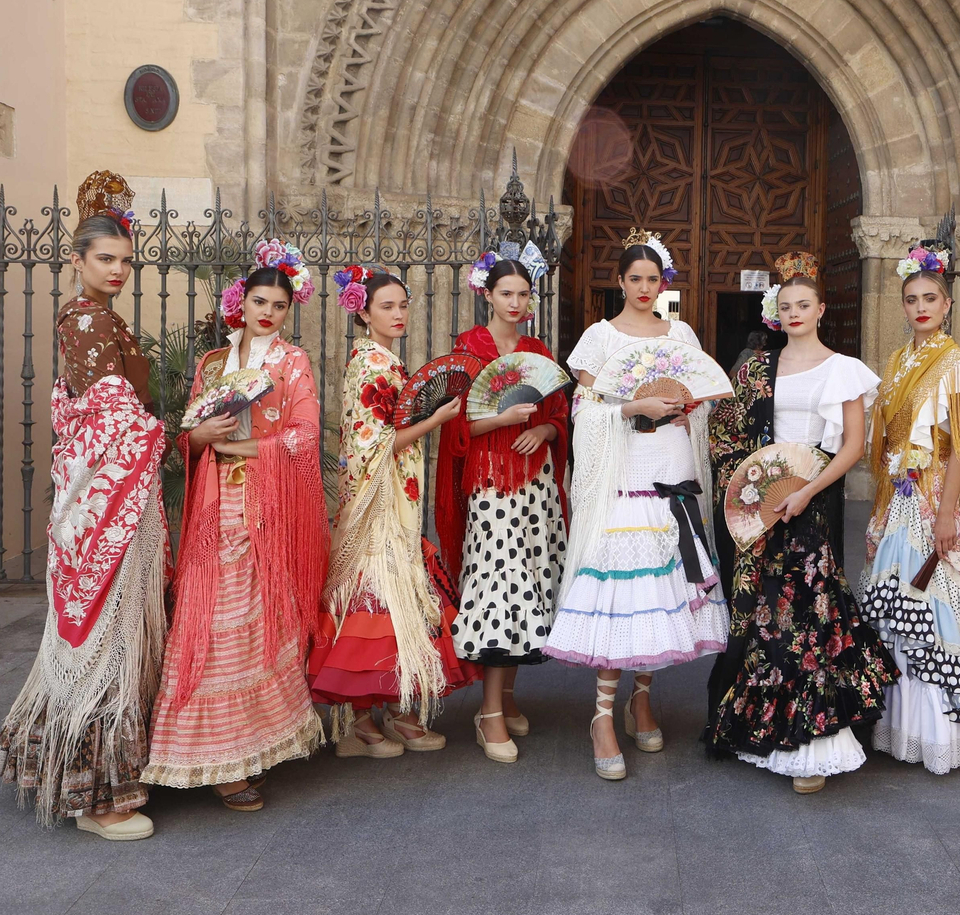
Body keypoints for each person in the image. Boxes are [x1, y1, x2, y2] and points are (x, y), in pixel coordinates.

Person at [0, 171, 168, 839]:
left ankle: (80, 775)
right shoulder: (86, 319)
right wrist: (174, 434)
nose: (119, 269)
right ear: (77, 260)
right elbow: (112, 420)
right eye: (105, 259)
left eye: (125, 260)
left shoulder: (100, 319)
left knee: (106, 641)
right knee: (108, 642)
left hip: (106, 498)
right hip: (106, 505)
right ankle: (96, 800)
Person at [142, 244, 329, 810]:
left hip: (266, 506)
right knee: (209, 620)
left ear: (288, 310)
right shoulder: (213, 365)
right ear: (240, 304)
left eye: (278, 303)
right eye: (258, 300)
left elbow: (304, 436)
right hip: (213, 505)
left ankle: (252, 750)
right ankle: (208, 755)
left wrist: (241, 445)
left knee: (258, 621)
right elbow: (189, 435)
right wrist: (198, 439)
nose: (267, 311)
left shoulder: (292, 363)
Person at [705, 252, 897, 793]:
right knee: (759, 608)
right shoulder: (755, 367)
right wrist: (747, 491)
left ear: (820, 309)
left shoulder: (843, 369)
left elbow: (853, 446)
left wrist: (806, 491)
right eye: (785, 306)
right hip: (761, 506)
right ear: (776, 312)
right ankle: (755, 727)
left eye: (803, 305)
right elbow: (727, 430)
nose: (794, 313)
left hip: (812, 502)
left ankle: (813, 740)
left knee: (807, 611)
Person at [544, 229, 728, 780]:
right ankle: (602, 717)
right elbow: (585, 414)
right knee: (622, 593)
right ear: (620, 282)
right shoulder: (600, 338)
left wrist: (682, 408)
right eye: (635, 279)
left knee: (664, 591)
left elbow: (702, 401)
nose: (645, 288)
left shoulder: (682, 333)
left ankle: (640, 699)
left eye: (653, 280)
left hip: (671, 467)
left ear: (661, 283)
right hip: (624, 471)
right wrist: (632, 407)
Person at [308, 268, 480, 756]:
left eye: (403, 305)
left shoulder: (381, 359)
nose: (399, 314)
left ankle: (385, 715)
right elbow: (371, 445)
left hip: (393, 497)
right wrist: (434, 419)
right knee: (379, 598)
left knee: (391, 599)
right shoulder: (370, 364)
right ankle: (365, 721)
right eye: (387, 306)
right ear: (363, 311)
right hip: (378, 505)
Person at [854, 241, 960, 774]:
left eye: (930, 298)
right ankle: (902, 729)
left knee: (936, 605)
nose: (921, 307)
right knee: (900, 609)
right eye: (912, 298)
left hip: (935, 495)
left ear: (947, 305)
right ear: (902, 306)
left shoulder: (956, 363)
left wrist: (946, 513)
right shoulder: (897, 362)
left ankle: (945, 734)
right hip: (897, 497)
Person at [433, 250, 569, 764]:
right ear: (486, 295)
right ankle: (488, 713)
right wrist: (502, 417)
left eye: (523, 294)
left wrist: (542, 427)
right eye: (506, 293)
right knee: (497, 587)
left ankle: (507, 697)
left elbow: (558, 413)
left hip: (536, 484)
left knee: (528, 584)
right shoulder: (468, 350)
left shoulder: (537, 351)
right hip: (490, 483)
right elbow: (455, 424)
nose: (516, 302)